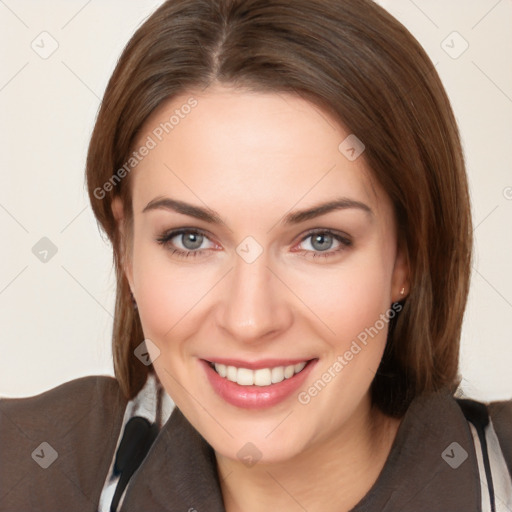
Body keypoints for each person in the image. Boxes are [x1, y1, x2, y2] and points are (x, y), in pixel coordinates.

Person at [1, 0, 511, 511]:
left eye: (320, 240)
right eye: (190, 239)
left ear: (408, 256)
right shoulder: (25, 469)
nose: (249, 320)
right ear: (126, 248)